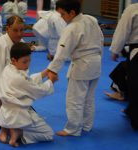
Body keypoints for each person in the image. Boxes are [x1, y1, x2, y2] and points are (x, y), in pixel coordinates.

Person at [46, 0, 104, 136]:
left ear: (72, 13)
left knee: (74, 99)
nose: (61, 17)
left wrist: (53, 70)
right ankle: (87, 126)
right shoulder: (91, 19)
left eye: (62, 14)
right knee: (89, 98)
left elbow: (62, 52)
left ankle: (72, 129)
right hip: (96, 62)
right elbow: (100, 39)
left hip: (82, 65)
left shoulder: (72, 27)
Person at [0, 42, 57, 147]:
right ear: (13, 60)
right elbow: (38, 90)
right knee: (48, 134)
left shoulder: (8, 69)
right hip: (18, 114)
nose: (28, 64)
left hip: (6, 114)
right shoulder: (19, 79)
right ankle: (19, 132)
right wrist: (51, 81)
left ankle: (11, 129)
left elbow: (27, 81)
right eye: (25, 62)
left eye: (29, 61)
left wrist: (44, 73)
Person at [0, 15, 25, 128]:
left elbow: (23, 72)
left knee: (27, 119)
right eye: (15, 30)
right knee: (6, 123)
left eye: (21, 30)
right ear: (7, 28)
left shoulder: (21, 44)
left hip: (11, 90)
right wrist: (1, 105)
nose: (19, 34)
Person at [109, 3, 138, 130]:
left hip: (136, 52)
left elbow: (122, 31)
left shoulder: (133, 9)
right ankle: (131, 110)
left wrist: (116, 50)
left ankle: (136, 118)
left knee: (136, 85)